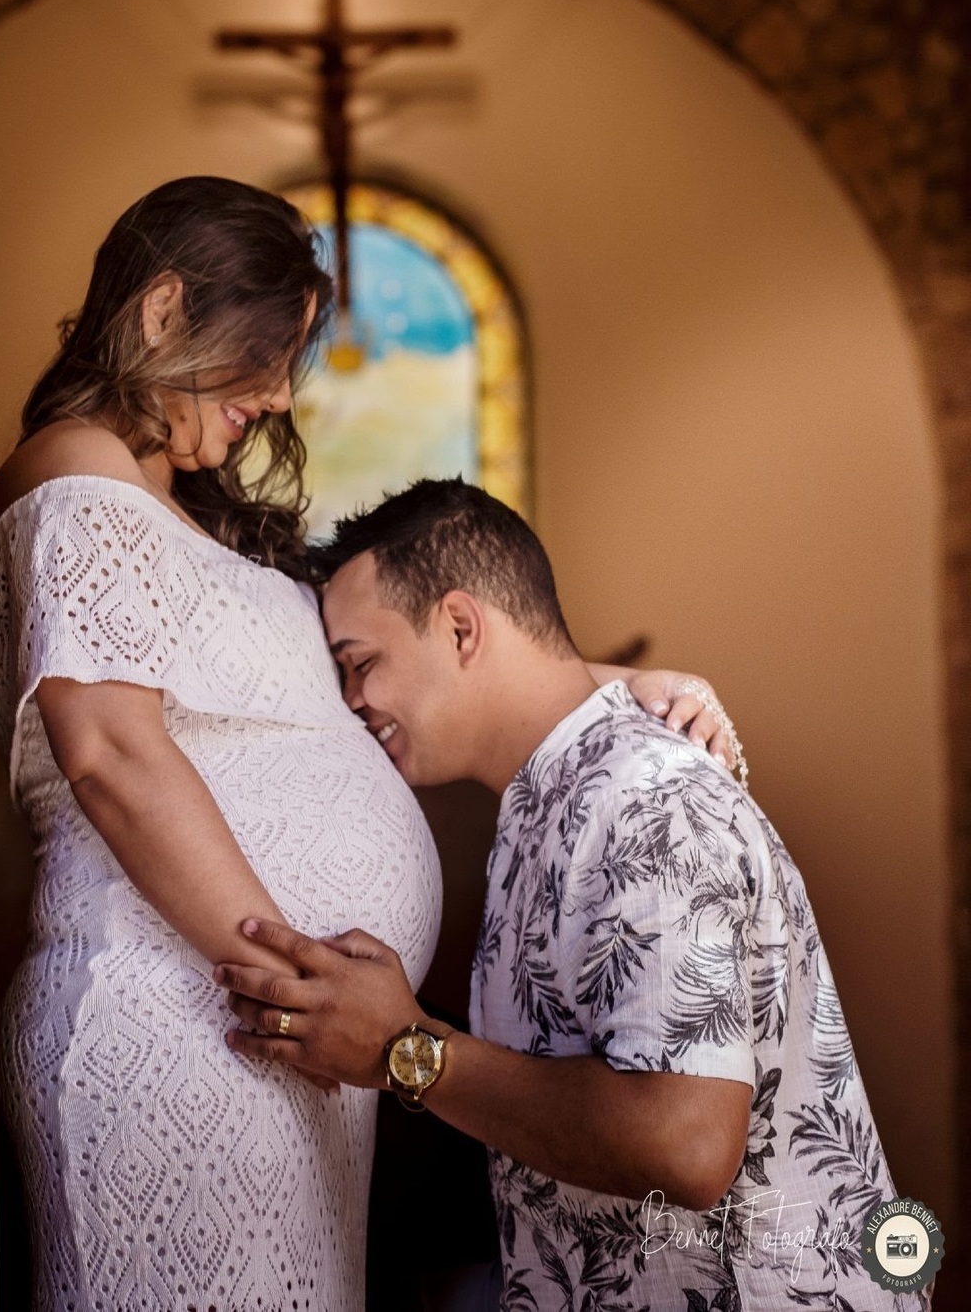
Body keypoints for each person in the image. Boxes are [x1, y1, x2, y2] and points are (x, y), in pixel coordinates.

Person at [0, 176, 740, 1312]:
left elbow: (389, 673)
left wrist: (619, 683)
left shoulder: (192, 519)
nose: (281, 393)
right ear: (161, 311)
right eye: (263, 353)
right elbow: (110, 752)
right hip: (179, 1019)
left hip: (275, 1047)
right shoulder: (72, 466)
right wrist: (303, 979)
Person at [223, 478, 927, 1312]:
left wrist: (405, 1048)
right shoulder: (552, 804)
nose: (353, 701)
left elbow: (685, 1142)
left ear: (459, 626)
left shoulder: (644, 797)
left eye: (361, 664)